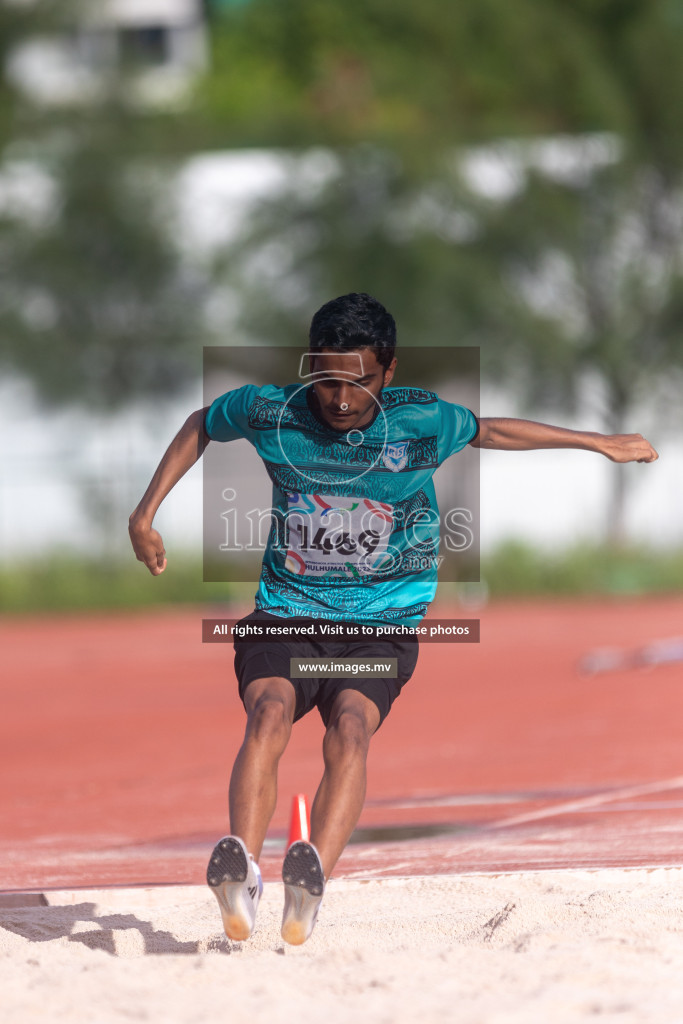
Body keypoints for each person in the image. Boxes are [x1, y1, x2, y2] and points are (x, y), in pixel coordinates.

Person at [129, 292, 658, 945]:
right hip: (286, 614)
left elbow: (492, 429)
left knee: (350, 729)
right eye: (327, 378)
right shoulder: (271, 411)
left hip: (381, 626)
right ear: (308, 369)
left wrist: (597, 442)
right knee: (266, 714)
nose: (342, 397)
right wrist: (144, 512)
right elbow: (202, 422)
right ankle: (242, 869)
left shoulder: (422, 421)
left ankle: (310, 880)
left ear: (389, 371)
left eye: (361, 380)